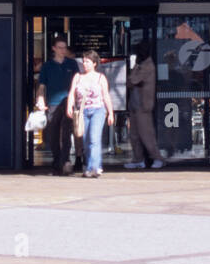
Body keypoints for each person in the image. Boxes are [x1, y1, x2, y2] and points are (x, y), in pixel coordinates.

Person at [35, 37, 81, 175]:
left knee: (66, 132)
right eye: (60, 47)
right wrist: (40, 99)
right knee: (53, 134)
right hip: (53, 103)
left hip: (68, 102)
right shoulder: (47, 66)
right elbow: (42, 85)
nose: (63, 50)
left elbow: (77, 82)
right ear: (54, 48)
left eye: (64, 47)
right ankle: (57, 161)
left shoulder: (72, 64)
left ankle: (65, 161)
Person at [67, 50, 115, 178]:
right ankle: (93, 165)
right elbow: (72, 93)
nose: (85, 64)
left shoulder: (100, 78)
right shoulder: (78, 77)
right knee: (85, 140)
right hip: (83, 111)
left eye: (87, 61)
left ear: (94, 63)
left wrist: (110, 112)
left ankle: (93, 168)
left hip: (98, 110)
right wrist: (69, 106)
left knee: (94, 138)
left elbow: (106, 95)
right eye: (83, 61)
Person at [124, 42, 163, 169]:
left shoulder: (148, 66)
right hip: (134, 105)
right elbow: (130, 82)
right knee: (134, 135)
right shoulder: (139, 65)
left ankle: (157, 158)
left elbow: (133, 80)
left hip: (143, 105)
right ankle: (137, 159)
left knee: (147, 135)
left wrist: (133, 74)